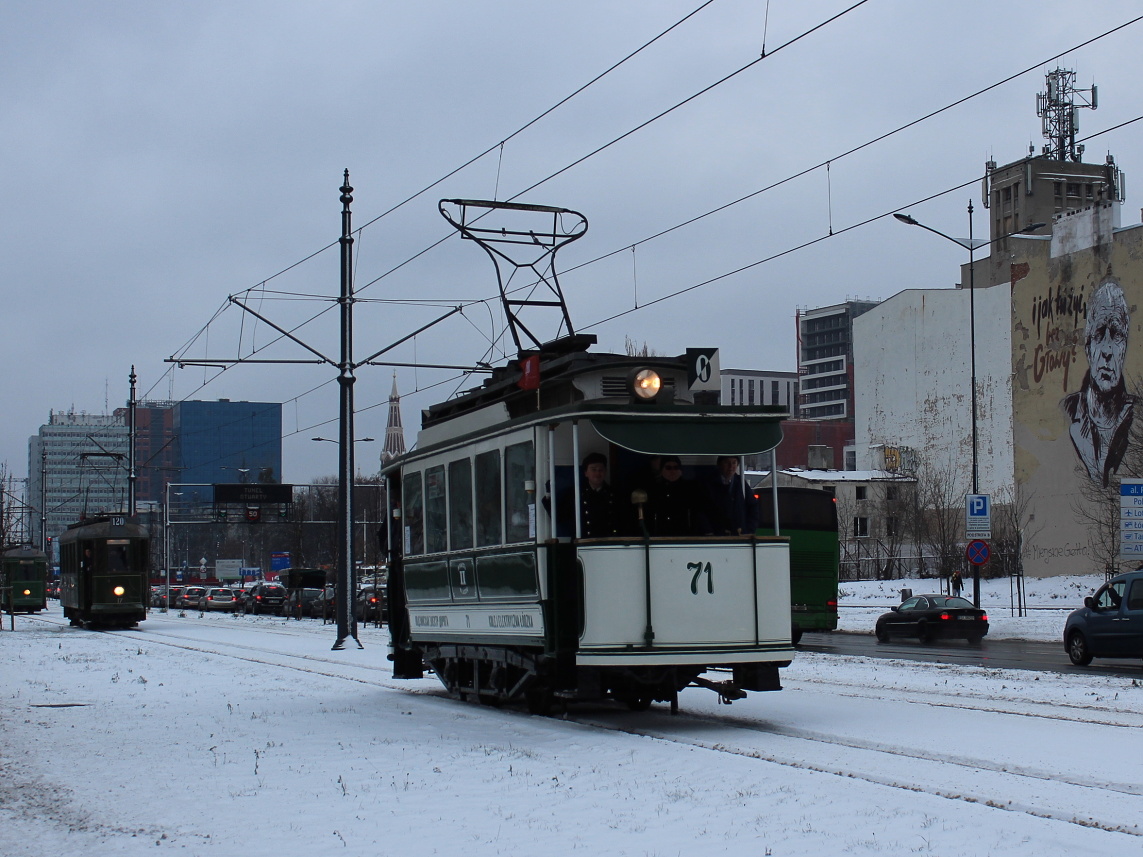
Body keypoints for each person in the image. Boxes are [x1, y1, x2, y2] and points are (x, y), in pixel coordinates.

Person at [1061, 278, 1135, 488]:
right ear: (1088, 347)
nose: (1107, 350)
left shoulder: (1137, 417)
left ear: (1125, 347)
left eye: (1117, 335)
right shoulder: (1067, 411)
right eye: (1100, 334)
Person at [546, 452, 620, 538]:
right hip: (582, 545)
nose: (597, 473)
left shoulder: (614, 494)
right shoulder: (575, 494)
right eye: (593, 469)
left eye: (601, 470)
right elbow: (560, 517)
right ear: (586, 473)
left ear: (605, 472)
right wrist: (548, 496)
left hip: (609, 544)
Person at [646, 456, 702, 536]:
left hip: (684, 538)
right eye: (668, 468)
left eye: (676, 467)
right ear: (661, 470)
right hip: (659, 538)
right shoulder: (653, 490)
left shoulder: (690, 489)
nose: (672, 471)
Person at [703, 455, 759, 535]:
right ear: (719, 464)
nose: (731, 466)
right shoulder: (708, 483)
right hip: (717, 536)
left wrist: (750, 530)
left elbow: (753, 506)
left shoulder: (741, 483)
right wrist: (709, 532)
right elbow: (701, 510)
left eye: (734, 463)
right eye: (727, 462)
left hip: (740, 534)